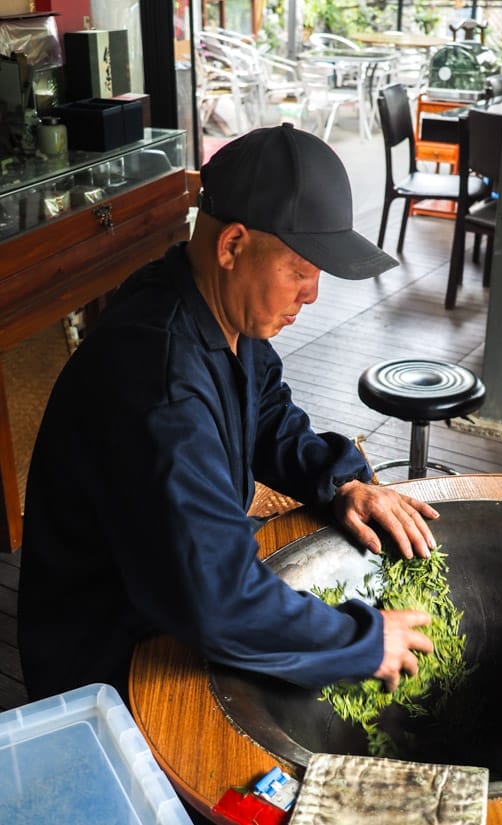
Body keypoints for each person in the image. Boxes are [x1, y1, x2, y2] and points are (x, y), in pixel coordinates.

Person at [18, 123, 439, 705]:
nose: (312, 294)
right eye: (300, 269)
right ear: (232, 245)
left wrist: (339, 480)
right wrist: (366, 642)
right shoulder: (160, 386)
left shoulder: (211, 305)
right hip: (111, 659)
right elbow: (220, 603)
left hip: (172, 602)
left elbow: (264, 409)